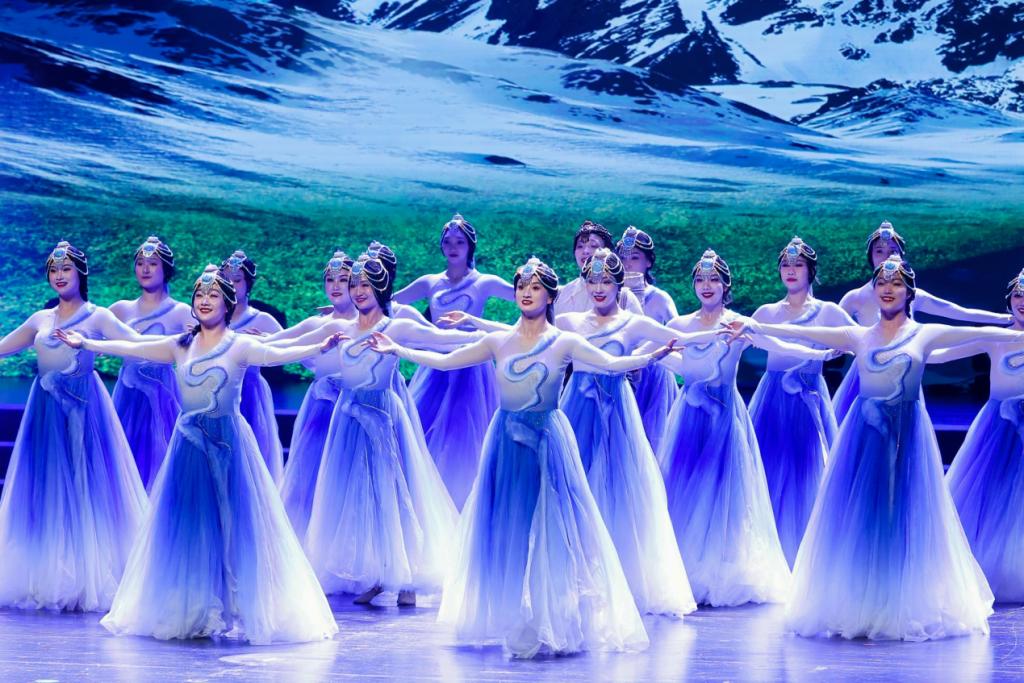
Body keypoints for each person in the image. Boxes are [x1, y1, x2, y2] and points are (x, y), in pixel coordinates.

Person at [366, 257, 675, 658]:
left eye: (535, 287)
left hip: (548, 440)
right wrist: (398, 349)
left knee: (551, 525)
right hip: (506, 443)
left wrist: (651, 356)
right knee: (508, 524)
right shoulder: (500, 341)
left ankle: (551, 614)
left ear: (550, 296)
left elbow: (612, 363)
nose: (526, 293)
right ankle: (514, 612)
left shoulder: (563, 340)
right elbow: (444, 360)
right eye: (521, 287)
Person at [726, 255, 1024, 641]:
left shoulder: (925, 334)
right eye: (882, 283)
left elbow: (988, 335)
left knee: (903, 515)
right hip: (863, 438)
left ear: (909, 292)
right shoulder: (860, 336)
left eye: (897, 284)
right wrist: (753, 325)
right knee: (862, 515)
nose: (888, 289)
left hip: (907, 438)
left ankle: (900, 600)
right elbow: (799, 332)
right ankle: (860, 601)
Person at [57, 265, 342, 644]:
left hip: (229, 446)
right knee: (190, 526)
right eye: (200, 296)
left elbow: (276, 353)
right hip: (188, 449)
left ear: (228, 303)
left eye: (213, 295)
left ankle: (240, 603)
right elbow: (134, 347)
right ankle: (194, 607)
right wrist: (88, 344)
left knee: (235, 526)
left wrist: (318, 347)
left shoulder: (238, 345)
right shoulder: (181, 345)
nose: (205, 301)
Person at [291, 254, 474, 607]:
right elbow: (286, 343)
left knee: (396, 495)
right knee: (362, 498)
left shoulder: (395, 327)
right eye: (354, 284)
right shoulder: (340, 329)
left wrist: (496, 334)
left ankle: (407, 578)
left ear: (381, 286)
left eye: (365, 284)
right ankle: (379, 575)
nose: (358, 291)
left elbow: (444, 341)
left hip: (384, 418)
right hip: (348, 421)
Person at [657, 249, 831, 607]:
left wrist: (818, 355)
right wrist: (685, 372)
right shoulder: (680, 324)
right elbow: (659, 352)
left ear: (726, 285)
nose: (707, 286)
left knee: (724, 490)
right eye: (700, 280)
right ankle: (681, 568)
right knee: (684, 485)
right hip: (688, 415)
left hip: (725, 416)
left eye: (714, 279)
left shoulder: (738, 323)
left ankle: (720, 565)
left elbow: (775, 344)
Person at [0, 241, 148, 612]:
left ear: (80, 273)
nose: (60, 276)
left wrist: (188, 339)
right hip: (45, 412)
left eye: (66, 269)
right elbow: (4, 346)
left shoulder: (97, 316)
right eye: (54, 270)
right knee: (47, 489)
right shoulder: (41, 319)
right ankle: (48, 574)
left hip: (83, 410)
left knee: (85, 487)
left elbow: (138, 345)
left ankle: (87, 575)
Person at [833, 221, 1011, 422]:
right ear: (870, 256)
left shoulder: (913, 295)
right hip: (868, 376)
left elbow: (956, 311)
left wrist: (1004, 318)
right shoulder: (855, 297)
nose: (886, 256)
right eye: (879, 251)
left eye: (893, 251)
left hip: (906, 373)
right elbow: (833, 332)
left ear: (901, 256)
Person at [747, 237, 855, 567]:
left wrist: (838, 350)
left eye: (798, 265)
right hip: (772, 399)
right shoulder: (767, 312)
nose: (790, 271)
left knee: (807, 470)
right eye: (785, 265)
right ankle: (767, 553)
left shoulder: (828, 312)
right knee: (767, 468)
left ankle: (809, 556)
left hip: (808, 398)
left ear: (811, 271)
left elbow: (861, 340)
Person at [393, 214, 515, 507]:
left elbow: (526, 297)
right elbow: (388, 300)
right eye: (448, 242)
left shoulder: (483, 282)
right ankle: (429, 500)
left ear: (470, 246)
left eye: (460, 242)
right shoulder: (430, 282)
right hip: (436, 366)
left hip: (471, 367)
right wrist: (345, 307)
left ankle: (465, 500)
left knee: (465, 431)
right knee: (426, 428)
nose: (453, 247)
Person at [936, 268, 1024, 602]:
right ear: (1009, 300)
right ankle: (989, 571)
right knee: (993, 498)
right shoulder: (995, 336)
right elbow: (946, 352)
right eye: (1018, 295)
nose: (1022, 302)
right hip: (997, 428)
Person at [260, 251, 357, 537]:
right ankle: (312, 536)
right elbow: (282, 342)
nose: (335, 286)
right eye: (330, 280)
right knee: (313, 471)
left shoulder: (366, 322)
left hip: (353, 408)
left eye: (343, 279)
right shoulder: (317, 324)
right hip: (322, 408)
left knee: (348, 472)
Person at [110, 236, 192, 490]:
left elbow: (203, 345)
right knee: (123, 459)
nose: (145, 269)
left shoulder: (181, 312)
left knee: (163, 455)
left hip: (164, 394)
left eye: (153, 263)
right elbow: (91, 338)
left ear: (166, 269)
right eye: (140, 263)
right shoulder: (121, 310)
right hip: (128, 394)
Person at [220, 250, 285, 482]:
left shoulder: (262, 320)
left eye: (237, 280)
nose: (231, 285)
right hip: (218, 393)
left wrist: (268, 341)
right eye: (226, 279)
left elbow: (287, 352)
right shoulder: (212, 317)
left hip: (249, 393)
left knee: (250, 461)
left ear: (248, 284)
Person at [616, 225, 679, 451]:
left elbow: (677, 331)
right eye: (622, 258)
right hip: (622, 371)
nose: (627, 264)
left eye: (634, 257)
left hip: (654, 375)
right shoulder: (611, 297)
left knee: (654, 437)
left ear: (648, 261)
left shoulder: (660, 298)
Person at [553, 220, 643, 316]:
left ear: (607, 252)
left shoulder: (625, 297)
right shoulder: (563, 294)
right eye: (580, 246)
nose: (585, 251)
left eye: (593, 246)